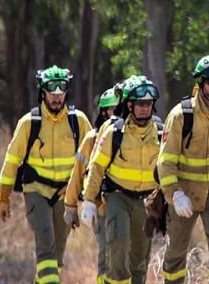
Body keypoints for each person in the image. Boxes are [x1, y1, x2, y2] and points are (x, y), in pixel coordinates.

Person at [0, 65, 93, 284]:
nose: (57, 98)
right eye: (52, 93)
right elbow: (11, 161)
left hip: (64, 195)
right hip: (36, 191)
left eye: (61, 94)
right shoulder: (29, 123)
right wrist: (3, 196)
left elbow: (94, 160)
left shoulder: (78, 122)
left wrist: (89, 195)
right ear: (43, 92)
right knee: (45, 242)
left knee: (57, 256)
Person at [158, 52, 209, 283]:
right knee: (176, 251)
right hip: (185, 195)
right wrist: (174, 194)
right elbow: (165, 161)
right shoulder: (180, 115)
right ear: (201, 83)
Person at [82, 75, 165, 284]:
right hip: (117, 197)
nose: (145, 108)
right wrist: (89, 200)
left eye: (148, 104)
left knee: (139, 259)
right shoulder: (114, 131)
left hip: (147, 202)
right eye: (140, 104)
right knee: (118, 246)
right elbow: (97, 166)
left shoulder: (162, 133)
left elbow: (169, 168)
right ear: (129, 105)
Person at [65, 82, 126, 284]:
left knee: (128, 258)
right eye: (112, 110)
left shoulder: (133, 136)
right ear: (103, 112)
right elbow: (78, 173)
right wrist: (71, 206)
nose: (116, 114)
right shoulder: (92, 139)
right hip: (102, 209)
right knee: (106, 256)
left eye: (119, 109)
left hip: (130, 206)